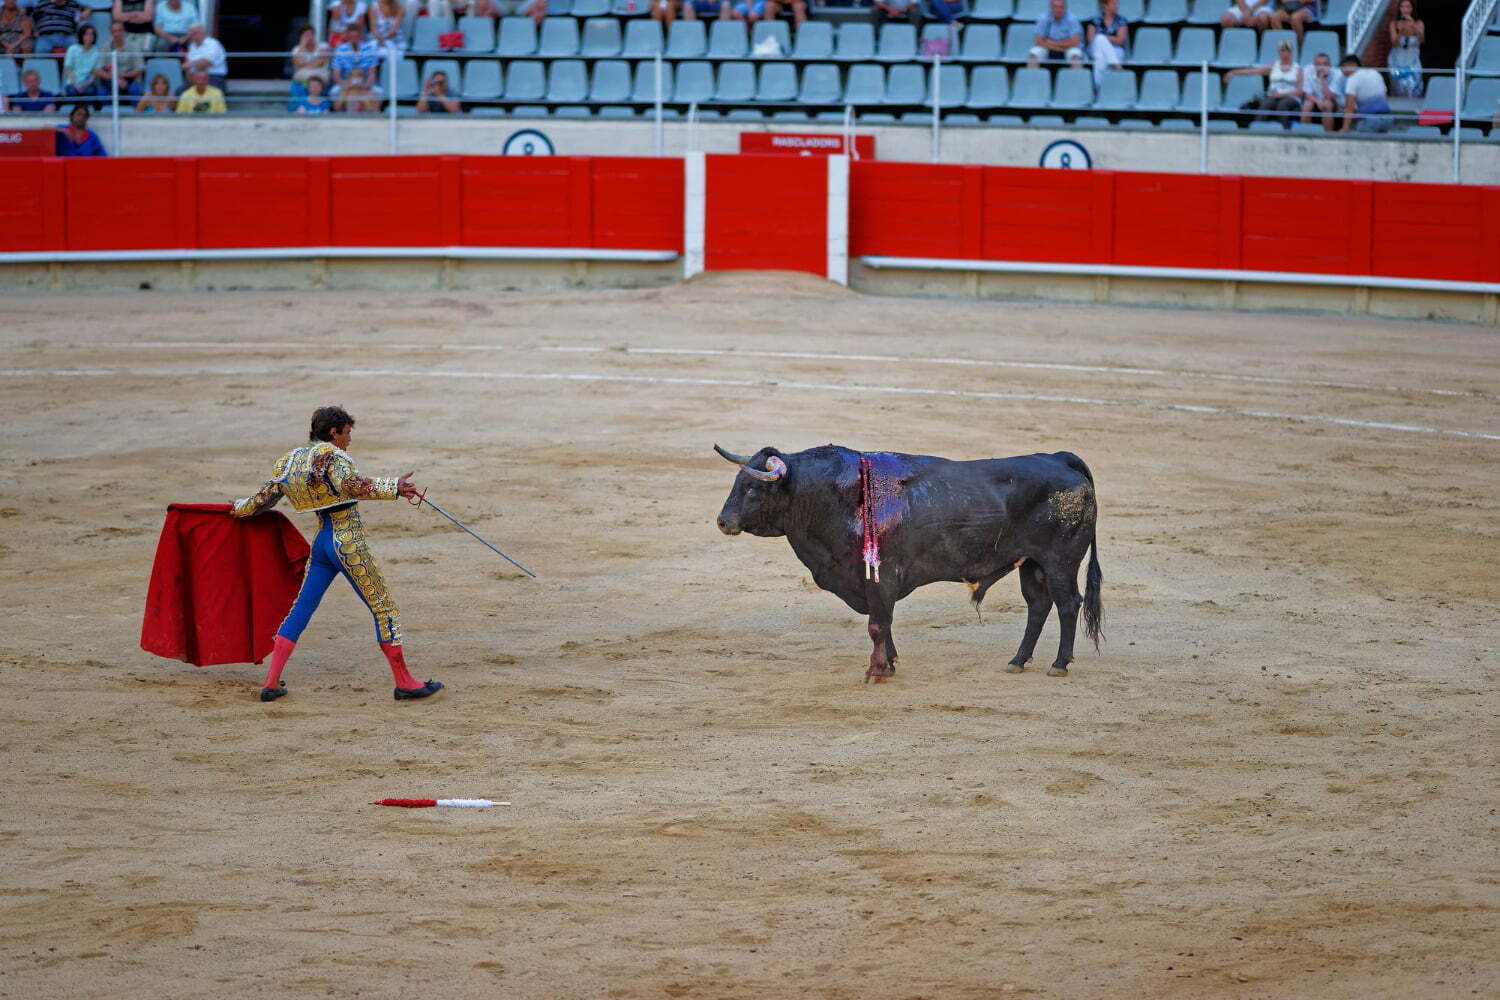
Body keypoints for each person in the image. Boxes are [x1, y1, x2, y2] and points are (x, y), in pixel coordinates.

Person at [231, 406, 442, 703]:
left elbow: (263, 499)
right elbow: (352, 485)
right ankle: (404, 681)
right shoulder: (333, 456)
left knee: (300, 610)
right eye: (347, 433)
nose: (349, 439)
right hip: (347, 542)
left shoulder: (291, 460)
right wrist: (394, 486)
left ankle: (271, 681)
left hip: (322, 544)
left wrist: (238, 507)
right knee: (384, 609)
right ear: (334, 432)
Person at [1224, 38, 1301, 127]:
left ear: (1292, 53)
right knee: (1265, 104)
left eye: (1288, 51)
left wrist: (1280, 95)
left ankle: (1286, 131)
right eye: (1282, 50)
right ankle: (1258, 129)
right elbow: (1253, 71)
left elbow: (1299, 91)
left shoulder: (1297, 69)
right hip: (1273, 96)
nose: (1285, 53)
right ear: (1279, 52)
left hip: (1290, 97)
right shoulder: (1274, 66)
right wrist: (1233, 72)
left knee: (1282, 105)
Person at [1339, 52, 1390, 133]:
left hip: (1370, 121)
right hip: (1388, 119)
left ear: (1349, 65)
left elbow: (1349, 107)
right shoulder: (1375, 73)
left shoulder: (1353, 78)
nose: (1342, 72)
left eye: (1342, 68)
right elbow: (1384, 96)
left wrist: (1344, 128)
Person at [1027, 0, 1082, 68]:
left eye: (1061, 7)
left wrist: (1050, 42)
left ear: (1065, 8)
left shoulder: (1072, 19)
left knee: (1075, 54)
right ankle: (1033, 77)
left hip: (1067, 49)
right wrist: (1060, 46)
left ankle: (1076, 78)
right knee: (1034, 53)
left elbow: (1074, 43)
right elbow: (1038, 41)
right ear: (1051, 8)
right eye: (1055, 7)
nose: (1058, 10)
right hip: (1047, 49)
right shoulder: (1043, 18)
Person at [1086, 0, 1128, 88]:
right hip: (1095, 49)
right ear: (1104, 5)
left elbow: (1120, 40)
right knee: (1099, 40)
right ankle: (1115, 64)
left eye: (1117, 4)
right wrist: (1109, 38)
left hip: (1116, 49)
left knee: (1100, 58)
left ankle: (1098, 86)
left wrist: (1104, 38)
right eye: (1113, 4)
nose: (1116, 6)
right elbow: (1091, 40)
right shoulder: (1094, 20)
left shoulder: (1122, 20)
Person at [1386, 0, 1422, 98]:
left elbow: (1422, 39)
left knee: (1413, 87)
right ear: (1399, 9)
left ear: (1412, 9)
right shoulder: (1393, 24)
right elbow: (1394, 42)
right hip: (1396, 62)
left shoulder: (1419, 23)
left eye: (1408, 7)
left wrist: (1413, 26)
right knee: (1398, 87)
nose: (1405, 9)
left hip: (1412, 62)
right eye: (1402, 7)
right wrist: (1401, 32)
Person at [62, 22, 107, 101]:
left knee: (91, 92)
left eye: (92, 34)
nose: (90, 37)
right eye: (87, 34)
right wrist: (77, 85)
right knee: (73, 92)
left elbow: (95, 72)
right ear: (81, 35)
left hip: (88, 84)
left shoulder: (96, 50)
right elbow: (69, 70)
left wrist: (86, 84)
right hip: (73, 83)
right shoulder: (72, 49)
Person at [331, 23, 381, 93]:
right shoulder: (340, 50)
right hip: (346, 80)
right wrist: (345, 85)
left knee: (379, 92)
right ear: (347, 36)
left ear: (360, 36)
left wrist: (366, 85)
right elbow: (336, 75)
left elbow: (372, 73)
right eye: (351, 37)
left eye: (356, 36)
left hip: (365, 81)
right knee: (334, 92)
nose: (354, 39)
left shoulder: (370, 49)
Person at [1299, 49, 1342, 130]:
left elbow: (1329, 96)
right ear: (1314, 65)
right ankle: (1305, 134)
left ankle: (1327, 136)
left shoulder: (1337, 73)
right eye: (1318, 64)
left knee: (1327, 104)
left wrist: (1322, 79)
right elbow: (1307, 94)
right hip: (1315, 100)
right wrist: (1318, 101)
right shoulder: (1308, 70)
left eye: (1325, 64)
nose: (1321, 67)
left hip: (1333, 102)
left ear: (1330, 65)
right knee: (1307, 105)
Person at [100, 20, 145, 94]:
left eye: (119, 31)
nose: (117, 34)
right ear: (110, 33)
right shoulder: (105, 47)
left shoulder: (134, 46)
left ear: (124, 31)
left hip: (130, 78)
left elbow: (140, 69)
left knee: (134, 89)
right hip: (111, 79)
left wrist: (121, 75)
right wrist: (116, 79)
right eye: (114, 31)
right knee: (101, 92)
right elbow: (98, 70)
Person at [181, 22, 224, 90]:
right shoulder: (192, 46)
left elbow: (208, 62)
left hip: (213, 76)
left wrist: (191, 64)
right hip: (194, 77)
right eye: (191, 33)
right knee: (180, 91)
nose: (193, 35)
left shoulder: (213, 43)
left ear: (203, 32)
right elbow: (188, 67)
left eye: (195, 32)